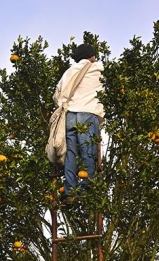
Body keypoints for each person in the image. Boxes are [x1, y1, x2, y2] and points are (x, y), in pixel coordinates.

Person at [53, 43, 104, 197]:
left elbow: (57, 95)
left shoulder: (70, 71)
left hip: (70, 116)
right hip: (87, 114)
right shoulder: (98, 70)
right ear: (91, 56)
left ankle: (69, 191)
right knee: (88, 151)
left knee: (70, 154)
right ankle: (87, 187)